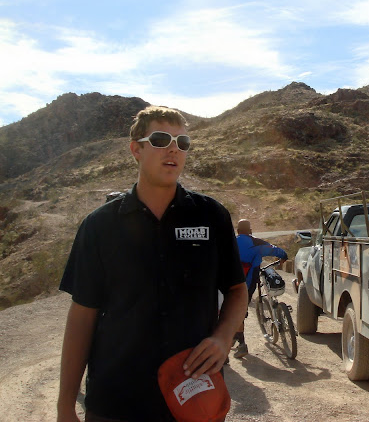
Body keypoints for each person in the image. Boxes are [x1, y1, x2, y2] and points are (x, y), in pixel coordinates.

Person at [57, 106, 248, 422]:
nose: (174, 149)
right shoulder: (99, 226)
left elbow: (236, 290)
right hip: (116, 403)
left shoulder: (211, 216)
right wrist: (65, 406)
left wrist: (223, 337)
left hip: (193, 401)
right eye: (161, 139)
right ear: (136, 149)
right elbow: (82, 316)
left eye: (182, 142)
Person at [232, 219, 288, 358]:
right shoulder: (256, 243)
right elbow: (277, 251)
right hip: (247, 284)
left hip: (229, 283)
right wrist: (283, 258)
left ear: (237, 231)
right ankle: (240, 342)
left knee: (232, 311)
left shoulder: (230, 241)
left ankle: (236, 340)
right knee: (240, 312)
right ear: (250, 231)